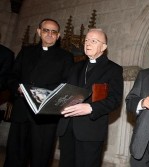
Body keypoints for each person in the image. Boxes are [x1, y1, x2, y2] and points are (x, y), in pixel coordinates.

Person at [4, 18, 74, 167]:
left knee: (40, 159)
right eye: (46, 30)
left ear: (58, 35)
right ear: (39, 32)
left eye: (53, 31)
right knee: (14, 157)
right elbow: (12, 76)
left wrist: (42, 93)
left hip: (45, 116)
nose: (49, 34)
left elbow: (66, 84)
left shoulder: (66, 57)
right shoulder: (26, 52)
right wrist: (17, 87)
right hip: (21, 111)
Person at [57, 28, 124, 167]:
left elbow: (115, 100)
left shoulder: (113, 69)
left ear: (104, 47)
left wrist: (91, 107)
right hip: (67, 128)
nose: (88, 43)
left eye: (94, 41)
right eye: (86, 40)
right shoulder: (75, 67)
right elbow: (63, 91)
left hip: (91, 130)